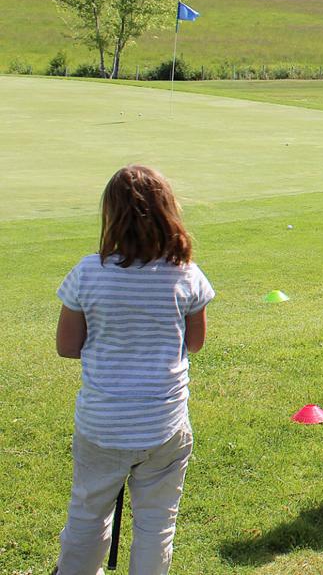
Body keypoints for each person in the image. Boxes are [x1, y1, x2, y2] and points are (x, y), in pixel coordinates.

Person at [53, 165, 214, 575]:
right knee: (156, 523)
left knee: (88, 515)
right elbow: (194, 343)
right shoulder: (186, 274)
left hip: (103, 423)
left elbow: (67, 346)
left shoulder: (88, 271)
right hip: (164, 421)